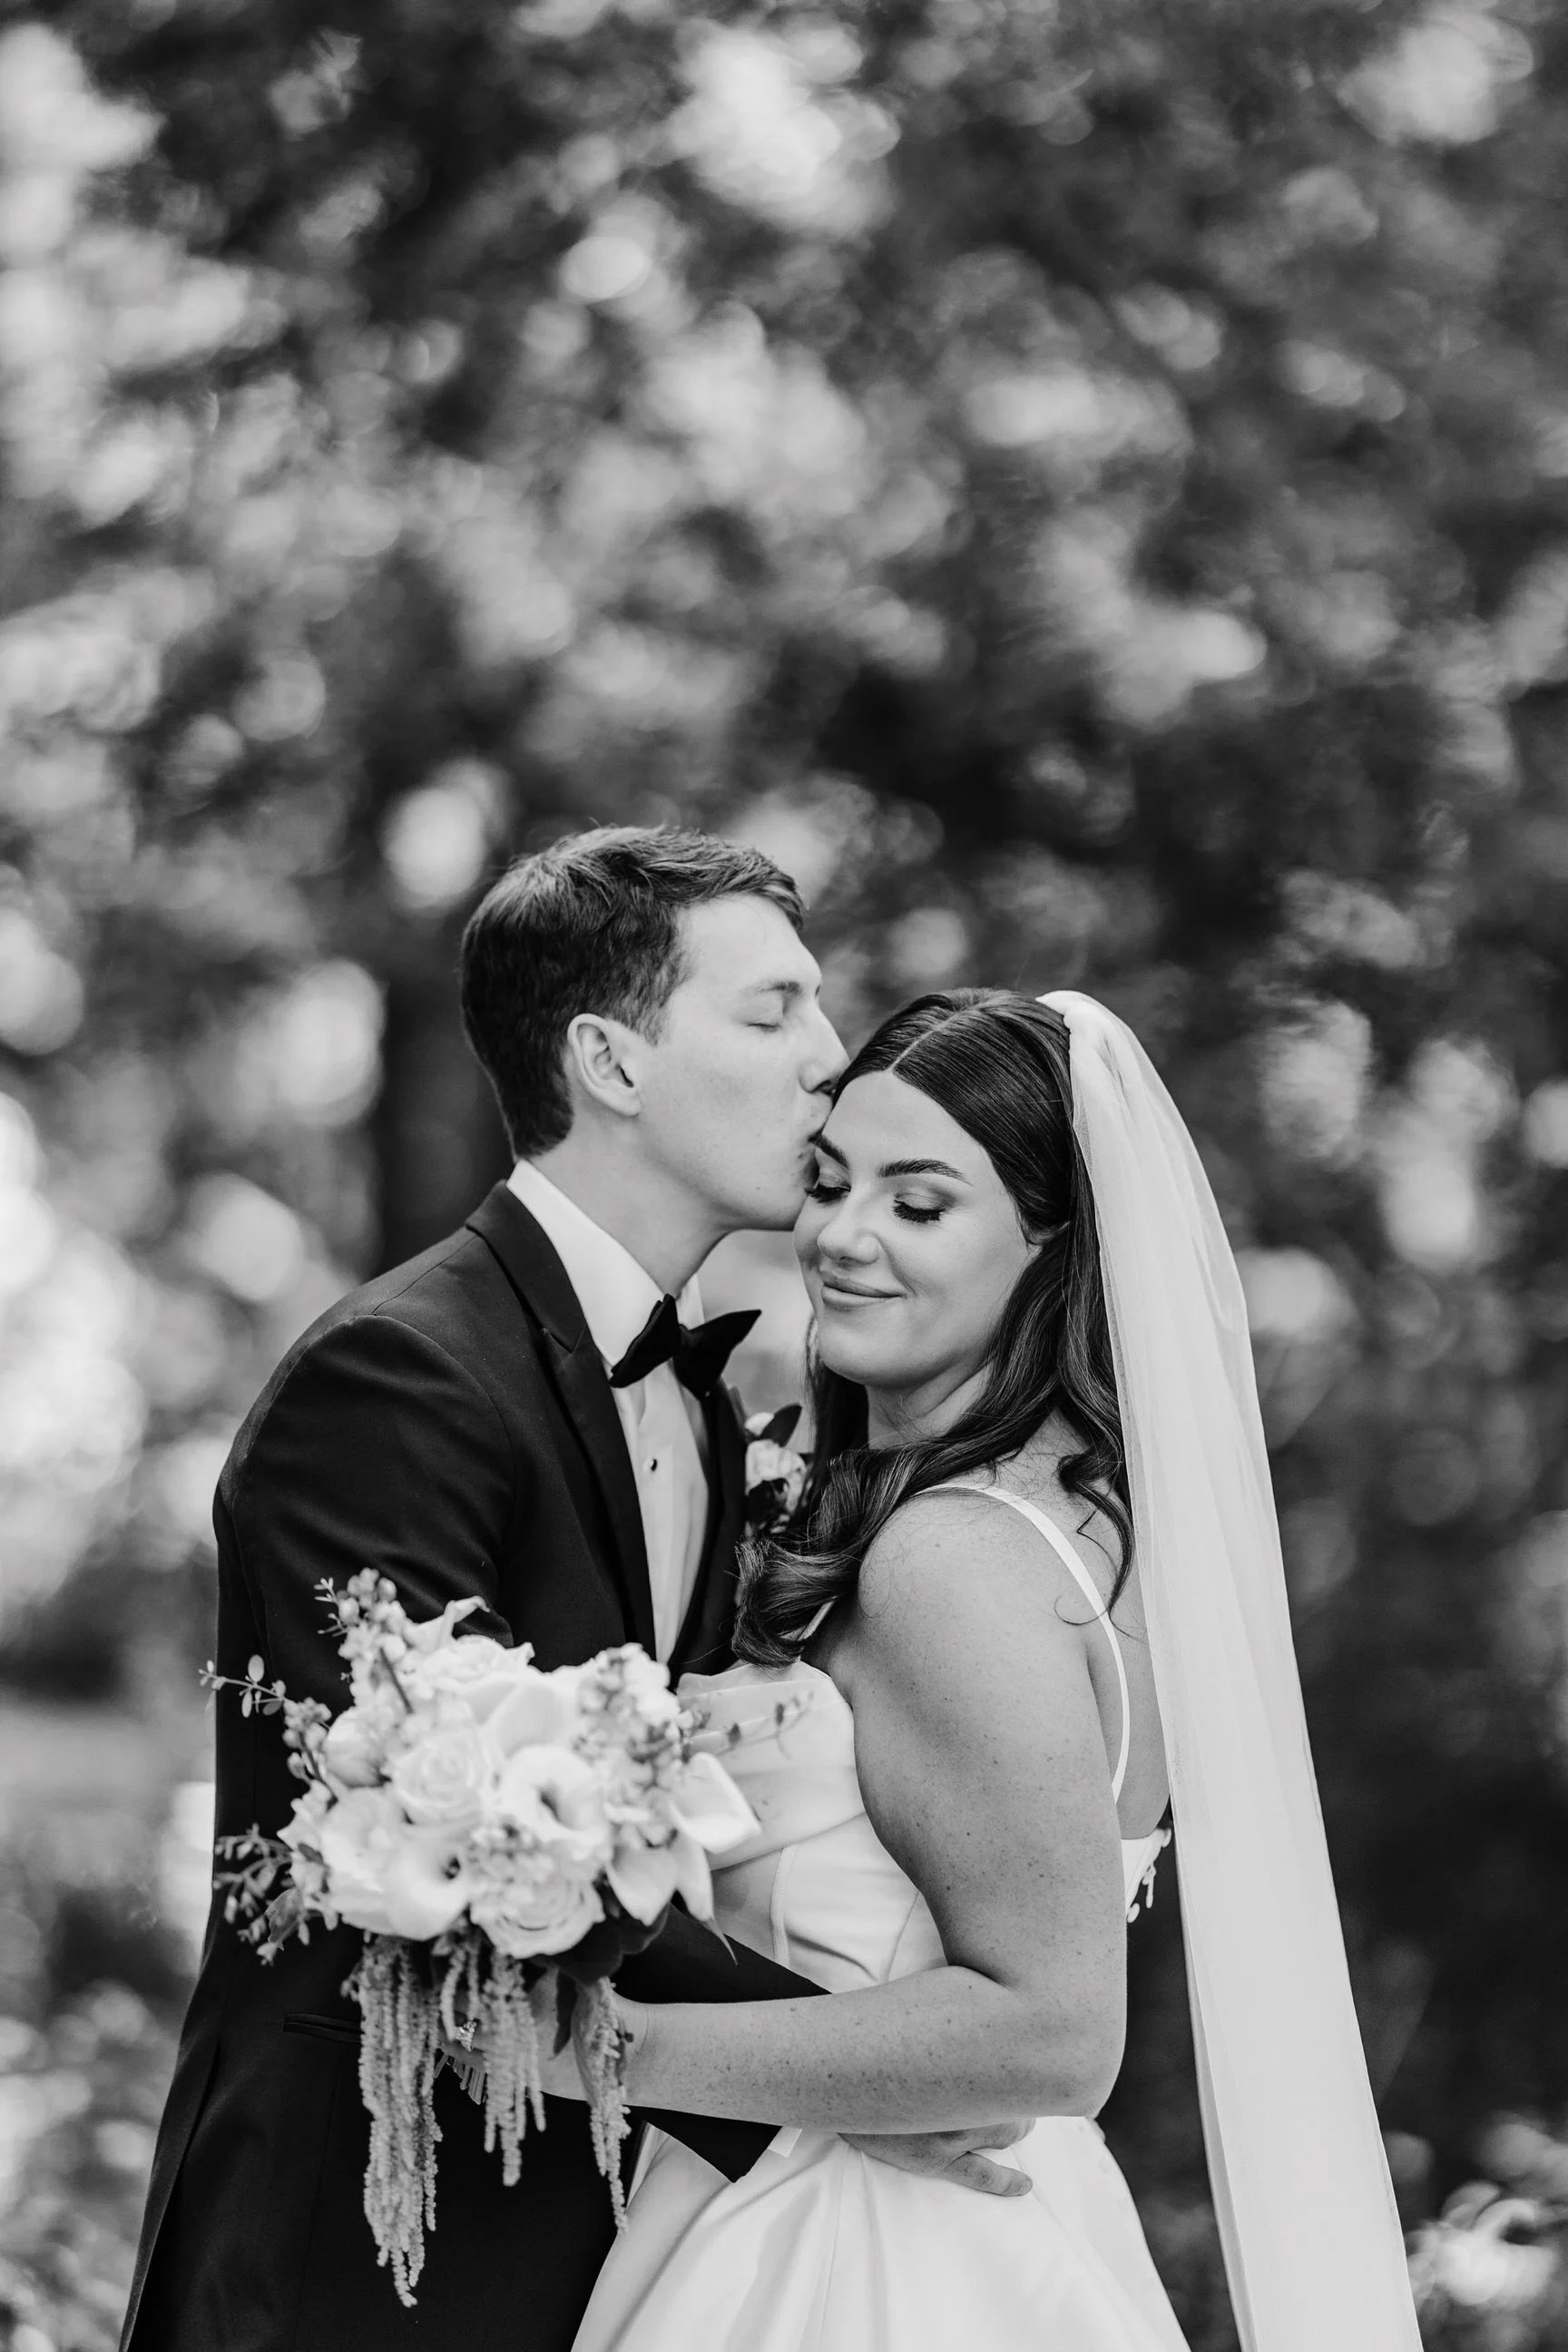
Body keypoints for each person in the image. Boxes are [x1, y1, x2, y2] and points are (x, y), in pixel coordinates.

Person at [120, 831, 1027, 2352]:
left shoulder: (708, 1398)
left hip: (599, 2220)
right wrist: (849, 2072)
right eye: (773, 1012)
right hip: (357, 2245)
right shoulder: (398, 1376)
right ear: (609, 1060)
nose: (829, 1060)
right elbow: (444, 1839)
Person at [564, 988, 1423, 2352]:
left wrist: (589, 2050)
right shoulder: (1087, 1530)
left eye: (919, 1205)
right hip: (1000, 2231)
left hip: (863, 2264)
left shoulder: (950, 1563)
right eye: (831, 1182)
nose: (842, 1237)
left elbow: (1051, 2034)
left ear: (1050, 1249)